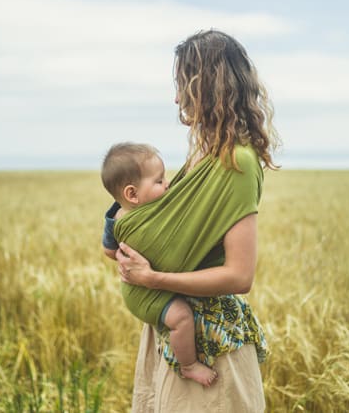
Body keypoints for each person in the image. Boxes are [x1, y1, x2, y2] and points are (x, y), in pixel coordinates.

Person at [113, 29, 280, 412]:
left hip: (210, 346)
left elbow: (240, 276)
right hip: (172, 330)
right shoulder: (205, 153)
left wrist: (153, 279)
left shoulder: (237, 162)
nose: (176, 98)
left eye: (182, 86)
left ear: (209, 88)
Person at [100, 142, 218, 387]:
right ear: (132, 194)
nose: (167, 184)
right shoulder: (120, 219)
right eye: (159, 181)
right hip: (141, 293)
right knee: (181, 317)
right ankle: (188, 365)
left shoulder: (151, 210)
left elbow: (108, 249)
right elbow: (109, 250)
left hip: (147, 281)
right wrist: (125, 258)